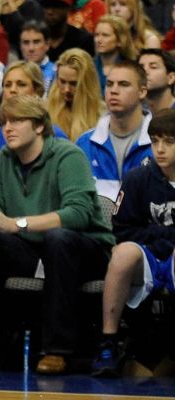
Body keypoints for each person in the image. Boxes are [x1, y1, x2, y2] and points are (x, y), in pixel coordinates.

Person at [0, 94, 113, 375]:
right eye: (4, 122)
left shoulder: (67, 154)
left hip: (84, 250)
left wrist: (17, 224)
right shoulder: (1, 161)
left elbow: (78, 214)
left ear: (39, 126)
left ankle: (56, 350)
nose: (8, 128)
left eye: (17, 121)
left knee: (58, 238)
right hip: (31, 251)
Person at [91, 106, 175, 377]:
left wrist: (159, 237)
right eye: (155, 141)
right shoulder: (138, 177)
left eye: (169, 142)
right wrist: (162, 238)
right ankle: (108, 343)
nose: (160, 149)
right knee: (123, 253)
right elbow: (123, 230)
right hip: (149, 254)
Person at [78, 60, 153, 196]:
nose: (113, 90)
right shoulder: (84, 144)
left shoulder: (161, 143)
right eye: (109, 84)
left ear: (142, 92)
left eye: (124, 84)